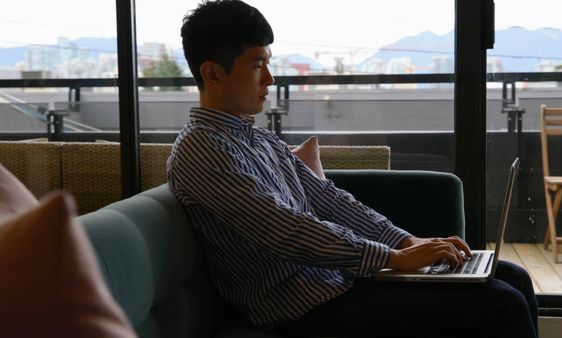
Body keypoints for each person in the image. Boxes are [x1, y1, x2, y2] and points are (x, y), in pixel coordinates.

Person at [167, 1, 538, 337]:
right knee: (501, 305)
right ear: (212, 74)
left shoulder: (257, 138)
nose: (270, 79)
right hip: (303, 309)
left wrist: (406, 241)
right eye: (257, 65)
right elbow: (285, 229)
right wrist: (392, 259)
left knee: (513, 277)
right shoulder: (202, 149)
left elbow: (329, 198)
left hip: (339, 283)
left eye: (269, 64)